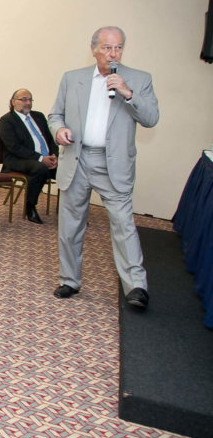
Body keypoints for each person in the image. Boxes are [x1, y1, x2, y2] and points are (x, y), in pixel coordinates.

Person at [48, 26, 159, 309]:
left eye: (118, 47)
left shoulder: (139, 79)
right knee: (70, 225)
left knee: (123, 224)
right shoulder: (72, 78)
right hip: (77, 158)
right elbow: (55, 114)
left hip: (113, 164)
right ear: (94, 49)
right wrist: (58, 129)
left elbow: (151, 119)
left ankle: (136, 287)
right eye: (107, 48)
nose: (113, 54)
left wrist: (127, 93)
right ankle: (69, 280)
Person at [0, 88, 57, 224]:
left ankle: (69, 210)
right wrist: (41, 158)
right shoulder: (7, 121)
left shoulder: (39, 116)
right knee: (40, 168)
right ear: (13, 102)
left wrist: (55, 156)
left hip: (45, 158)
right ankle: (30, 206)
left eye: (30, 100)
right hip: (18, 160)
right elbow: (14, 147)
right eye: (23, 100)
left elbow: (50, 139)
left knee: (70, 167)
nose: (28, 103)